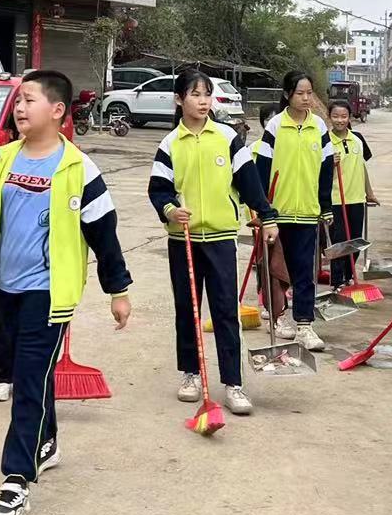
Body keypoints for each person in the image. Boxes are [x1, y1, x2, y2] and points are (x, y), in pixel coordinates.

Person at [0, 70, 133, 515]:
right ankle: (46, 442)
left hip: (50, 297)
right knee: (25, 373)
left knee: (27, 382)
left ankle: (15, 481)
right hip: (5, 289)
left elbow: (104, 236)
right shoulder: (1, 161)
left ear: (58, 110)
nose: (19, 108)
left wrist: (118, 290)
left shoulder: (79, 169)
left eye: (28, 100)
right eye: (18, 101)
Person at [149, 67, 278, 417]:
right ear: (179, 99)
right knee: (188, 311)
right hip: (184, 240)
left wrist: (266, 217)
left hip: (221, 238)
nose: (203, 100)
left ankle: (233, 383)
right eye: (195, 94)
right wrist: (171, 210)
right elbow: (158, 190)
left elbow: (250, 183)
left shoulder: (227, 137)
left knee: (224, 312)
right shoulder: (169, 144)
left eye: (206, 94)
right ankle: (190, 374)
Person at [255, 71, 331, 353]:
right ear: (287, 94)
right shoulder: (276, 126)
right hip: (278, 213)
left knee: (304, 273)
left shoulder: (319, 127)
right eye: (300, 93)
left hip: (307, 213)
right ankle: (277, 317)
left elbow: (325, 171)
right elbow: (261, 170)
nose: (306, 98)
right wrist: (263, 210)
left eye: (310, 92)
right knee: (274, 270)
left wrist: (325, 206)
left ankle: (304, 325)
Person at [321, 99, 377, 289]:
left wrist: (369, 193)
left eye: (343, 116)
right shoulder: (325, 141)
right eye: (335, 116)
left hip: (356, 199)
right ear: (329, 117)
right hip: (336, 200)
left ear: (350, 117)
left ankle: (348, 276)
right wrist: (329, 162)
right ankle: (337, 281)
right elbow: (316, 172)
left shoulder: (358, 139)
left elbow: (362, 167)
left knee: (354, 241)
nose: (340, 120)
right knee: (339, 242)